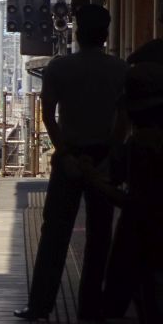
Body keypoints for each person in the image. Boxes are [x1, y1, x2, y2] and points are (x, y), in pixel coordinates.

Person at [15, 4, 127, 322]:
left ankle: (39, 306)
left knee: (54, 234)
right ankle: (89, 309)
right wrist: (111, 153)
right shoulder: (120, 70)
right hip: (102, 159)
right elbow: (123, 119)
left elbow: (48, 115)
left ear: (77, 33)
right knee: (99, 236)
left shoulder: (60, 68)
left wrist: (64, 152)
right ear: (105, 34)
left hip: (69, 159)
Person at [100, 44, 163, 322]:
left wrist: (95, 179)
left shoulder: (141, 145)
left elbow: (133, 201)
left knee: (128, 289)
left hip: (143, 234)